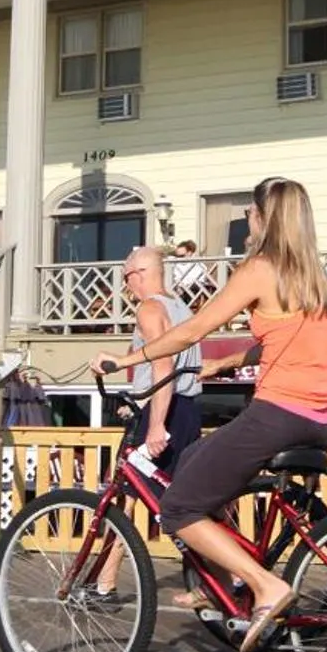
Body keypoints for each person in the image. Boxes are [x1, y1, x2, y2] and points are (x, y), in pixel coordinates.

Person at [94, 176, 327, 652]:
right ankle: (219, 580)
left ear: (264, 217)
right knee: (193, 461)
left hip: (278, 413)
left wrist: (126, 360)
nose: (246, 221)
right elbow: (281, 342)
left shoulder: (260, 268)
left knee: (176, 508)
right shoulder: (313, 276)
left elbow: (194, 330)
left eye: (249, 213)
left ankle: (263, 585)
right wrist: (227, 363)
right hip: (321, 415)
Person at [93, 245, 203, 600]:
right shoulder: (182, 307)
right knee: (182, 499)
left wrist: (156, 424)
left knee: (126, 498)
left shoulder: (149, 308)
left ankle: (105, 585)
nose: (127, 286)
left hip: (164, 409)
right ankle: (224, 577)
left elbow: (162, 365)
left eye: (126, 278)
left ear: (139, 274)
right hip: (187, 409)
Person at [169, 238, 210, 305]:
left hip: (191, 290)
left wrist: (183, 286)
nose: (179, 258)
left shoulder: (198, 265)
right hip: (177, 289)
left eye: (182, 256)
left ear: (189, 253)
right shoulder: (175, 263)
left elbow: (200, 281)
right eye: (177, 256)